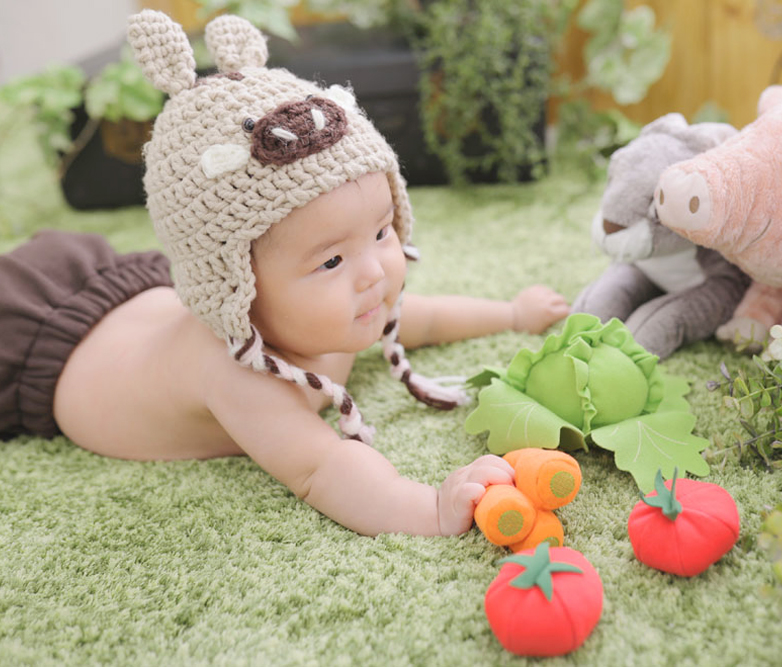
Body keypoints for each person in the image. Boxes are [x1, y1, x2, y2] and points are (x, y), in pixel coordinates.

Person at [0, 11, 568, 538]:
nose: (374, 273)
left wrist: (511, 314)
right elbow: (322, 468)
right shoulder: (239, 375)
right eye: (331, 261)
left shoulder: (343, 304)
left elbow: (425, 316)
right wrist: (431, 508)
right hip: (47, 345)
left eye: (381, 232)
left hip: (129, 299)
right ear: (236, 289)